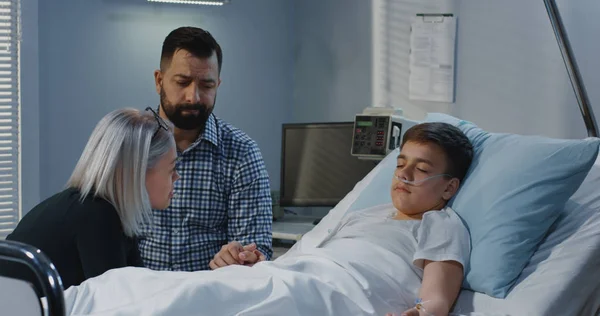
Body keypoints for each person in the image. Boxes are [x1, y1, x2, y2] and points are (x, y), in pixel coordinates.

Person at [59, 122, 474, 316]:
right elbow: (299, 259)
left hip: (335, 295)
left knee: (198, 302)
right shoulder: (363, 214)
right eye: (400, 162)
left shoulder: (440, 224)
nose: (402, 174)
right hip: (296, 277)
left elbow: (436, 298)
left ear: (449, 187)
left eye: (421, 169)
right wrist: (257, 262)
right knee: (138, 283)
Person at [3, 108, 180, 295]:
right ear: (137, 171)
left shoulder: (106, 211)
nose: (177, 176)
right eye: (172, 168)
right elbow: (118, 303)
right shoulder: (98, 216)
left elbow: (140, 290)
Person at [138, 26, 273, 272]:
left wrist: (242, 257)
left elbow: (258, 247)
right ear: (159, 81)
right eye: (183, 82)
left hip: (209, 299)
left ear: (218, 85)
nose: (194, 97)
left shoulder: (241, 153)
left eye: (206, 85)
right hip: (138, 301)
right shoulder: (130, 145)